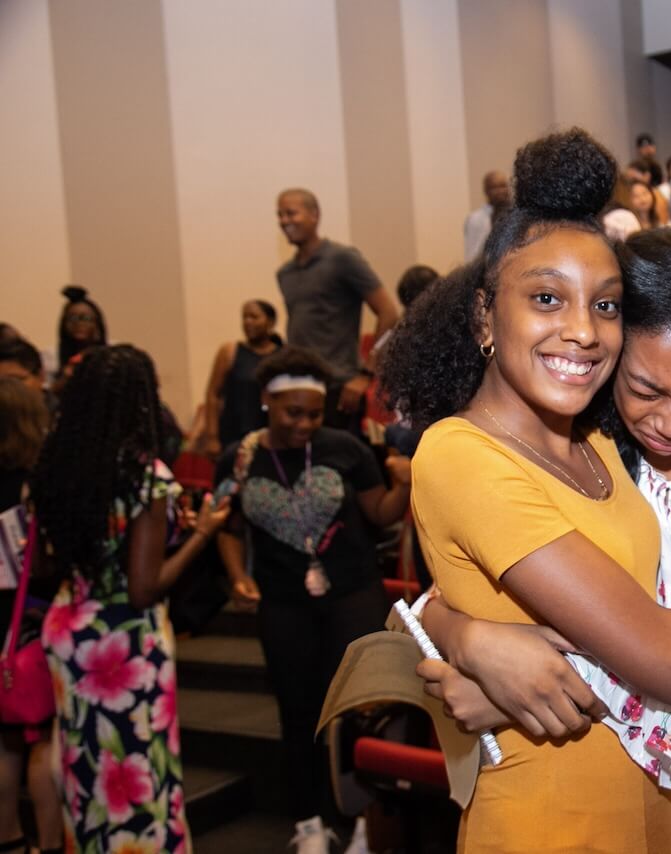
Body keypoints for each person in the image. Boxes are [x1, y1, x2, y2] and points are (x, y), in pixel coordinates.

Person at [376, 127, 671, 853]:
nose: (582, 331)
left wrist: (467, 633)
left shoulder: (596, 441)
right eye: (547, 299)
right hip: (553, 824)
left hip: (665, 814)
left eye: (607, 305)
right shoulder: (460, 451)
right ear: (484, 316)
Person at [214, 346, 411, 853]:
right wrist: (238, 575)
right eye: (292, 413)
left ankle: (366, 818)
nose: (304, 424)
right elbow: (227, 528)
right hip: (283, 602)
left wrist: (404, 486)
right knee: (297, 712)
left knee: (361, 708)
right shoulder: (240, 457)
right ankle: (309, 823)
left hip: (353, 592)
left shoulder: (344, 448)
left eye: (314, 414)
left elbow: (382, 514)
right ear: (266, 401)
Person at [33, 346, 230, 853]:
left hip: (70, 629)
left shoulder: (55, 471)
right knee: (139, 770)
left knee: (86, 768)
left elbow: (53, 560)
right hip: (123, 644)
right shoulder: (146, 478)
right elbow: (144, 586)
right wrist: (201, 534)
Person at [275, 188, 400, 433]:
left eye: (291, 213)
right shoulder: (285, 273)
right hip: (300, 387)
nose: (284, 221)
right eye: (280, 215)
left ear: (314, 215)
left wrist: (366, 374)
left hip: (340, 388)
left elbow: (389, 312)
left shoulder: (342, 259)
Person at [0, 379, 60, 854]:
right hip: (31, 617)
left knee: (3, 740)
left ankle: (9, 838)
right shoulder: (37, 480)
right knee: (41, 736)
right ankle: (50, 842)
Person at [200, 299, 283, 455]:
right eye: (244, 317)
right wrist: (211, 436)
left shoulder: (283, 354)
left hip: (270, 434)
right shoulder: (229, 352)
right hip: (233, 434)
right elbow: (213, 394)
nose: (247, 322)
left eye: (254, 317)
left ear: (270, 322)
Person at [463, 171, 512, 261]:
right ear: (486, 190)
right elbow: (471, 254)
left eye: (503, 186)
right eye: (494, 187)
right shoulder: (475, 219)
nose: (500, 191)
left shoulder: (516, 215)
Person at [55, 286, 105, 374]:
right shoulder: (51, 357)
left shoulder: (113, 356)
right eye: (73, 318)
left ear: (97, 325)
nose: (79, 323)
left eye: (86, 318)